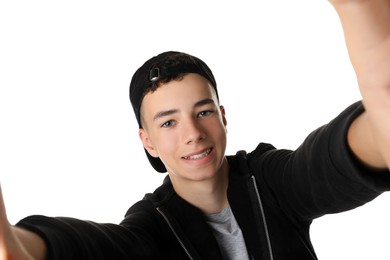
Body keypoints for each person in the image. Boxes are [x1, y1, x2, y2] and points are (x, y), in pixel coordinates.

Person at [1, 0, 390, 259]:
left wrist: (379, 91)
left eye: (202, 112)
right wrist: (15, 244)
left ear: (223, 116)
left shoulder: (270, 182)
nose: (192, 133)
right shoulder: (152, 228)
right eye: (168, 122)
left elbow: (336, 159)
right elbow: (89, 248)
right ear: (147, 142)